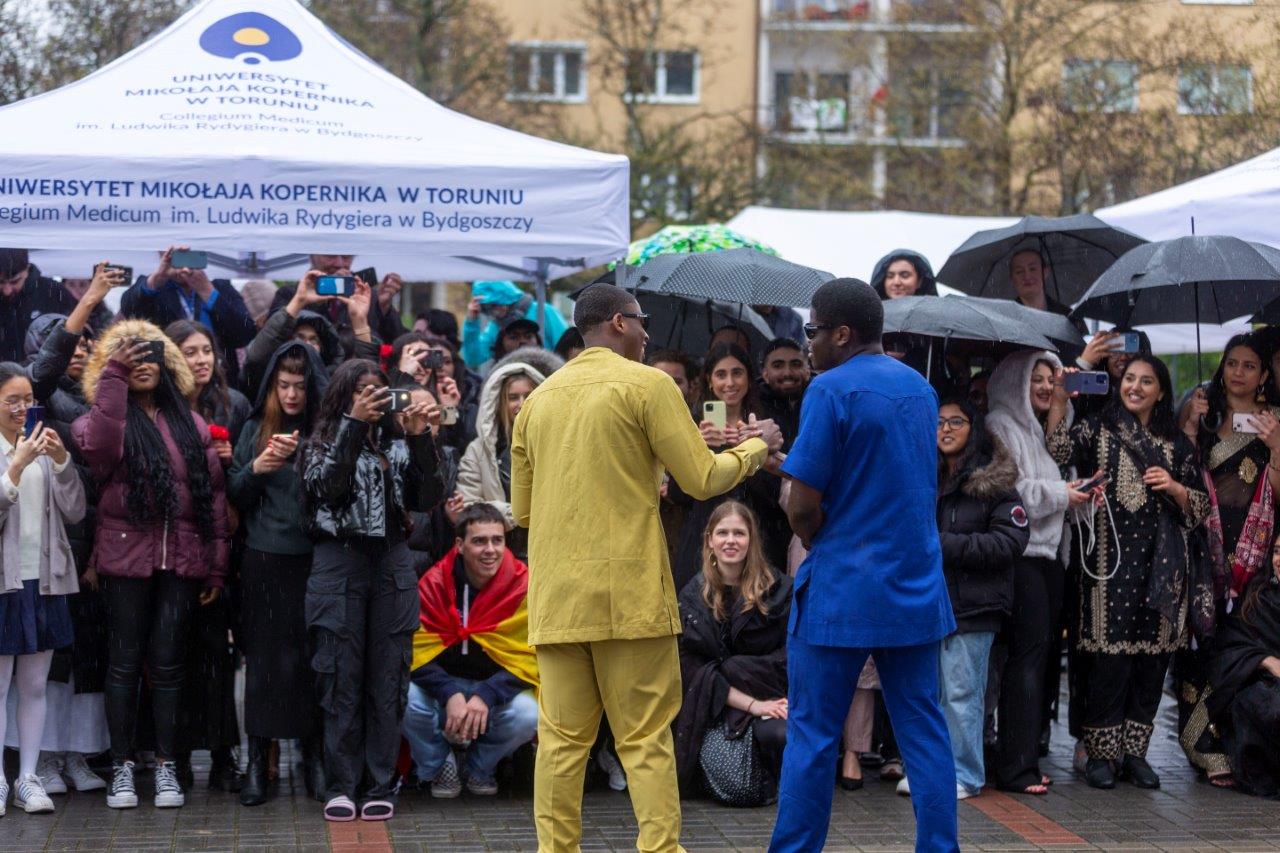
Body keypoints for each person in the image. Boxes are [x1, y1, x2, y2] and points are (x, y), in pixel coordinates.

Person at [511, 283, 781, 852]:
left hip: (558, 598)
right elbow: (702, 479)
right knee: (644, 739)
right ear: (618, 322)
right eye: (642, 320)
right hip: (629, 595)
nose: (647, 332)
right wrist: (756, 447)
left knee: (561, 743)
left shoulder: (536, 400)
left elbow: (525, 511)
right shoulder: (648, 384)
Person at [767, 278, 956, 853]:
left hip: (842, 587)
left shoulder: (829, 389)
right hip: (914, 584)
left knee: (813, 734)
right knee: (924, 730)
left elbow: (803, 504)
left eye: (813, 330)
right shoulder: (920, 389)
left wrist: (811, 531)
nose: (808, 342)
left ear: (842, 334)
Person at [71, 319, 230, 811]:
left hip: (180, 562)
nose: (142, 364)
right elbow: (99, 448)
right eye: (129, 357)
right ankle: (122, 765)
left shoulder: (191, 424)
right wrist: (114, 376)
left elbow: (214, 499)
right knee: (123, 663)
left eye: (150, 355)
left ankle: (166, 765)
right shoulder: (101, 418)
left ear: (167, 364)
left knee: (168, 664)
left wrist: (216, 567)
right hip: (124, 560)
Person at [299, 359, 443, 822]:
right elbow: (327, 488)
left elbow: (427, 500)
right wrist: (353, 426)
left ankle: (380, 782)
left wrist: (419, 437)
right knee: (340, 676)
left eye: (379, 391)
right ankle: (341, 786)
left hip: (391, 563)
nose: (373, 398)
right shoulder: (319, 444)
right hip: (339, 562)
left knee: (388, 678)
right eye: (363, 391)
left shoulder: (397, 446)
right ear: (344, 396)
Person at [1064, 355, 1208, 789]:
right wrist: (1056, 404)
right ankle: (1100, 756)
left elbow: (1200, 508)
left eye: (1147, 381)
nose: (1135, 387)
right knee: (1108, 663)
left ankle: (1135, 755)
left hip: (1163, 570)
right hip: (1108, 569)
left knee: (1151, 664)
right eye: (1129, 379)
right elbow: (1059, 452)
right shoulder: (1097, 429)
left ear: (1161, 392)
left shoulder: (1177, 445)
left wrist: (1175, 487)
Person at [227, 341, 328, 806]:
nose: (291, 394)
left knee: (311, 662)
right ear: (272, 386)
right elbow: (234, 492)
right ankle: (257, 761)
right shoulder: (255, 427)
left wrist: (304, 458)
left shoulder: (324, 429)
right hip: (265, 559)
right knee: (263, 667)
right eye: (284, 385)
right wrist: (257, 467)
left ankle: (314, 757)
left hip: (313, 559)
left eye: (300, 386)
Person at [1178, 334, 1280, 787]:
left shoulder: (1275, 420)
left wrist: (1276, 446)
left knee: (1235, 642)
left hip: (1254, 553)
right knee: (1198, 639)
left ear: (1264, 375)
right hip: (1204, 548)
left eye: (1249, 365)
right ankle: (1198, 743)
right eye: (1232, 363)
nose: (1239, 372)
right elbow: (1183, 474)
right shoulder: (1204, 413)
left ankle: (1234, 742)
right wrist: (1189, 428)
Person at [914, 397, 1027, 800]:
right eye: (939, 422)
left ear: (973, 428)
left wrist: (945, 544)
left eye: (956, 421)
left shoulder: (994, 482)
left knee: (963, 693)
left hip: (974, 605)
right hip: (926, 602)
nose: (945, 429)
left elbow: (1010, 542)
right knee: (929, 693)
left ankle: (965, 774)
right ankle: (932, 772)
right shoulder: (922, 477)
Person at [985, 350, 1086, 795]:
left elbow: (1054, 487)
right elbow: (1013, 490)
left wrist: (1078, 492)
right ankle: (1015, 768)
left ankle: (1023, 759)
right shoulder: (1001, 425)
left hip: (1050, 557)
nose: (1046, 387)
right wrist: (1063, 493)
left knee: (1039, 661)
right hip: (1021, 556)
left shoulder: (1047, 430)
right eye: (1036, 379)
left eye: (1050, 379)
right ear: (1015, 381)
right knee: (1025, 660)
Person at [163, 319, 247, 792]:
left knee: (218, 654)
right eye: (189, 351)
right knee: (172, 654)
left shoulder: (232, 405)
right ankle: (173, 755)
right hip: (171, 546)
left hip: (222, 544)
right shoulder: (157, 406)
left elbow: (244, 483)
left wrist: (230, 463)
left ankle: (222, 752)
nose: (200, 360)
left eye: (206, 351)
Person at [404, 503, 539, 798]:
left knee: (529, 714)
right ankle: (439, 766)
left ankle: (479, 769)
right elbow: (411, 650)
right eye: (479, 541)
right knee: (402, 697)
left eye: (497, 540)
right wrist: (449, 691)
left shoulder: (523, 587)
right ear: (459, 545)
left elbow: (533, 657)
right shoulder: (434, 583)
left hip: (495, 693)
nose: (490, 550)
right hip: (441, 692)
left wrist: (487, 693)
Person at [0, 365, 85, 814]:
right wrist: (15, 466)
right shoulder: (13, 453)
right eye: (11, 400)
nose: (22, 409)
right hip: (5, 582)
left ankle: (28, 778)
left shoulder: (43, 447)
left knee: (35, 684)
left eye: (28, 400)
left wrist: (62, 461)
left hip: (46, 580)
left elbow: (75, 510)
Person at [673, 501, 791, 806]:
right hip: (714, 704)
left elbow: (788, 656)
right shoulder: (692, 597)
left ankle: (776, 783)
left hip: (770, 695)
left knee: (782, 734)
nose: (730, 541)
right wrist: (751, 704)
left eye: (739, 533)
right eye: (722, 533)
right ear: (710, 541)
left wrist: (741, 674)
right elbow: (692, 671)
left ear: (751, 540)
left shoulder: (777, 589)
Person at [669, 343, 790, 587]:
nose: (730, 383)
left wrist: (756, 451)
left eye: (737, 373)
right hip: (704, 541)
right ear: (709, 380)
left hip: (760, 540)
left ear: (749, 377)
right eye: (721, 374)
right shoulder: (692, 426)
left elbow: (778, 494)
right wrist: (697, 448)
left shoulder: (766, 426)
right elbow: (677, 494)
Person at [1197, 536, 1280, 797]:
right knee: (1263, 704)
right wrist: (1265, 661)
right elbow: (1229, 648)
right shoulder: (1258, 599)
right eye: (1277, 551)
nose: (1279, 560)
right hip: (1267, 683)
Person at [456, 349, 562, 548]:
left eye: (529, 395)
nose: (521, 404)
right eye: (513, 397)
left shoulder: (560, 443)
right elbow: (468, 506)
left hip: (551, 547)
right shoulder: (479, 451)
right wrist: (519, 514)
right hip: (499, 553)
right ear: (499, 402)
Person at [119, 246, 256, 386]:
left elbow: (245, 333)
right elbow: (129, 310)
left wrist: (207, 291)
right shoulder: (154, 286)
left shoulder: (219, 285)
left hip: (217, 382)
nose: (180, 262)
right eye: (173, 255)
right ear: (161, 254)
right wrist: (158, 278)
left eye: (185, 254)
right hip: (169, 383)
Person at [243, 270, 381, 394]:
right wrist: (298, 301)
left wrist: (359, 320)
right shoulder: (267, 376)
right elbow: (256, 356)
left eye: (314, 340)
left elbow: (367, 378)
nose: (307, 344)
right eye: (299, 338)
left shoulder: (335, 385)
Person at [268, 255, 406, 351]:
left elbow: (395, 345)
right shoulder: (290, 295)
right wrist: (311, 299)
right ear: (312, 256)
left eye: (346, 257)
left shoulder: (365, 296)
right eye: (331, 256)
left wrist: (383, 308)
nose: (339, 263)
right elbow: (270, 338)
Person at [0, 250, 111, 364]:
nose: (7, 291)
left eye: (15, 282)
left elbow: (80, 330)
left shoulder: (53, 292)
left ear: (27, 269)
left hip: (45, 370)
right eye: (1, 282)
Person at [462, 281, 569, 370]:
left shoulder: (544, 311)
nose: (492, 312)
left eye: (528, 336)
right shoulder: (496, 326)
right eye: (485, 308)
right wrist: (472, 322)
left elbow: (566, 349)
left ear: (505, 299)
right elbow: (473, 359)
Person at [757, 338, 809, 452]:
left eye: (796, 364)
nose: (787, 373)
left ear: (807, 371)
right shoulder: (753, 406)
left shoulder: (823, 401)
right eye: (778, 366)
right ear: (765, 375)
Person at [869, 249, 939, 300]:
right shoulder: (868, 314)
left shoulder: (936, 313)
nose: (896, 282)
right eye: (890, 276)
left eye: (905, 275)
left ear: (919, 281)